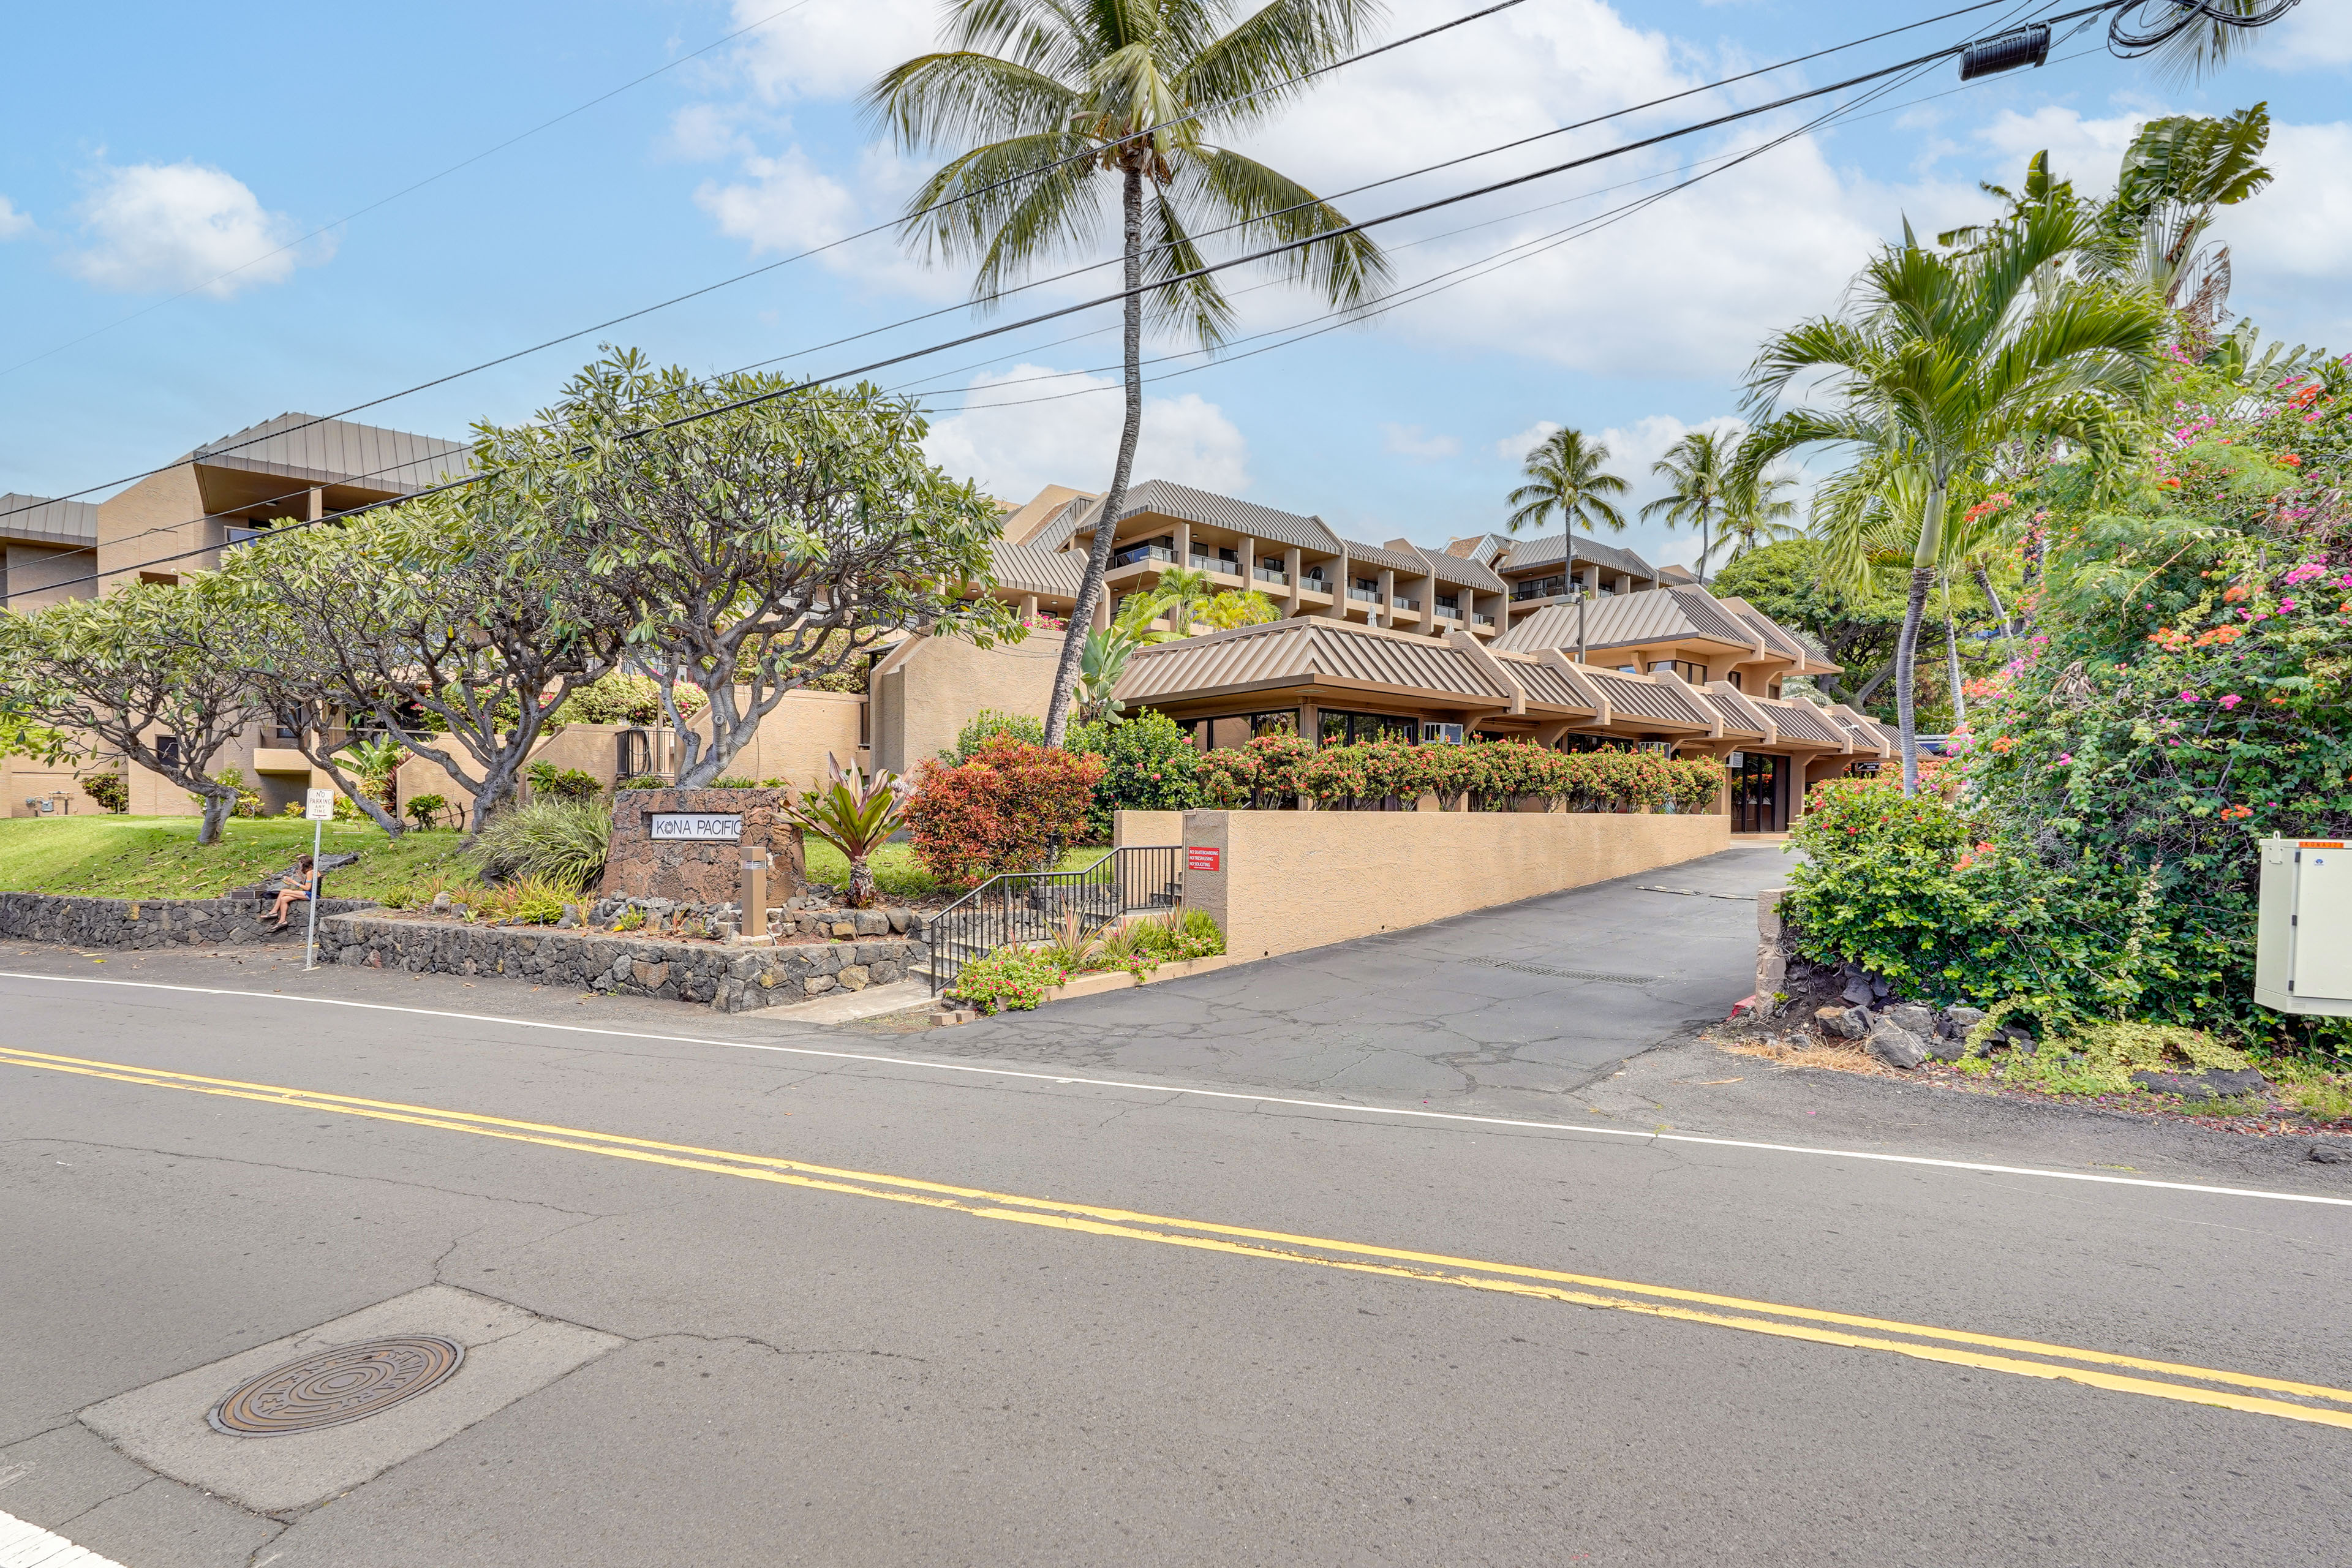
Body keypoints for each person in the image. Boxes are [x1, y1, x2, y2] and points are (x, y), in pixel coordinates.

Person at [271, 855, 317, 930]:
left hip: (311, 894)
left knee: (283, 892)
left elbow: (308, 888)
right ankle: (282, 921)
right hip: (309, 893)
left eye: (300, 862)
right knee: (284, 899)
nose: (299, 864)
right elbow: (308, 885)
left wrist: (292, 881)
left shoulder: (310, 872)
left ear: (303, 863)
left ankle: (274, 911)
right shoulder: (311, 872)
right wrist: (301, 877)